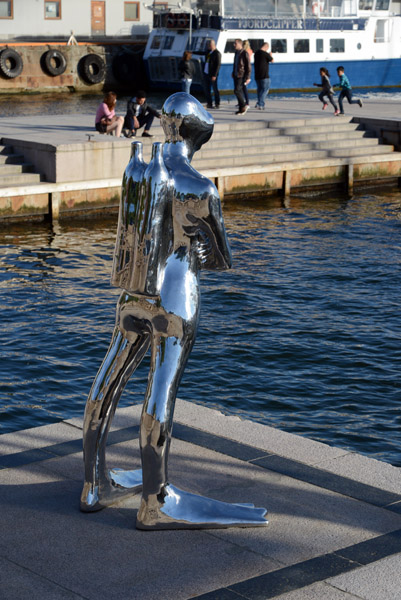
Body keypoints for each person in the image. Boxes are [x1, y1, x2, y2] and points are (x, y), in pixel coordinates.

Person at [80, 92, 268, 529]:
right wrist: (198, 243)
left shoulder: (144, 172)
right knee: (160, 389)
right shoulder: (200, 186)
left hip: (134, 292)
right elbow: (222, 258)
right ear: (200, 132)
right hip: (176, 295)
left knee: (108, 376)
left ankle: (92, 486)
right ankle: (154, 500)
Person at [232, 39, 251, 115]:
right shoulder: (236, 53)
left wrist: (248, 77)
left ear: (240, 44)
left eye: (235, 43)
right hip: (236, 74)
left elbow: (248, 66)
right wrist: (233, 72)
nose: (234, 45)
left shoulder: (244, 53)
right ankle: (240, 108)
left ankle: (243, 106)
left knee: (237, 90)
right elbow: (236, 64)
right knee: (238, 91)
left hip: (241, 75)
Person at [254, 41, 274, 110]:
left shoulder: (256, 53)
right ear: (266, 47)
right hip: (264, 75)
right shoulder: (265, 54)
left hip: (257, 75)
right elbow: (272, 60)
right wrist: (270, 55)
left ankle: (258, 103)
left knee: (259, 90)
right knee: (265, 90)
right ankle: (260, 104)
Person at [203, 39, 221, 109]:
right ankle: (209, 103)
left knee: (215, 89)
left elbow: (218, 65)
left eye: (208, 45)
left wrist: (215, 75)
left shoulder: (217, 53)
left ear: (212, 45)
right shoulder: (209, 52)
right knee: (207, 89)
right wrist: (192, 52)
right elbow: (202, 53)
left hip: (212, 74)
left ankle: (217, 103)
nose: (207, 46)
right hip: (206, 73)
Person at [242, 40, 253, 108]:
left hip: (244, 70)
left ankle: (247, 102)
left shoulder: (246, 52)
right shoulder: (249, 51)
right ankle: (244, 101)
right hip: (246, 70)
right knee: (242, 87)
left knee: (243, 86)